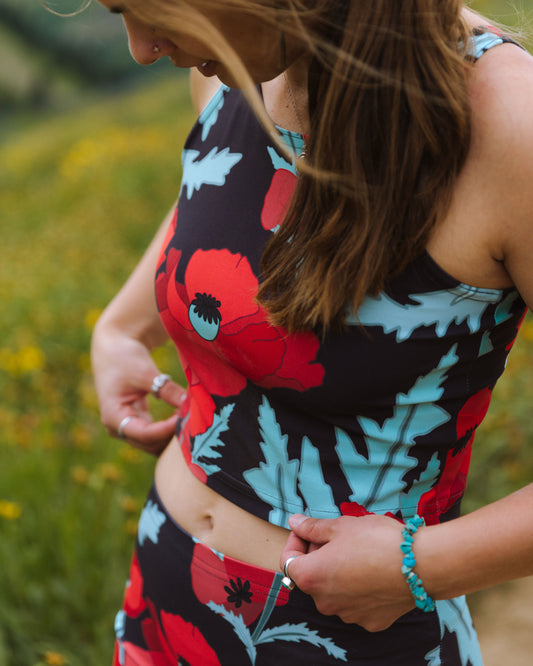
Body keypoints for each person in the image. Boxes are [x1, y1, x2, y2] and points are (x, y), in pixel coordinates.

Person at [89, 0, 533, 663]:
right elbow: (234, 216)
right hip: (162, 608)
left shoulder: (507, 126)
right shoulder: (230, 72)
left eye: (148, 8)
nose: (141, 48)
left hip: (352, 641)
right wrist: (120, 328)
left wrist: (422, 566)